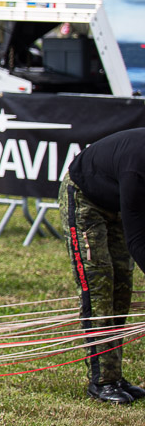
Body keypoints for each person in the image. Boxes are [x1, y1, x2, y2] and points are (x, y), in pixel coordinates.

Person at [59, 128, 145, 404]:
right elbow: (137, 239)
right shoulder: (137, 167)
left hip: (116, 201)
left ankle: (116, 376)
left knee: (122, 286)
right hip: (85, 197)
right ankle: (102, 381)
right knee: (99, 285)